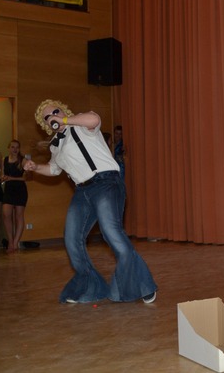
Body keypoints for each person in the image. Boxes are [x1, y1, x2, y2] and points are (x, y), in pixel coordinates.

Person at [23, 99, 157, 304]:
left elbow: (94, 119)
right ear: (45, 124)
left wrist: (65, 120)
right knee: (71, 238)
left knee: (111, 232)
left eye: (55, 112)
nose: (52, 117)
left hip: (106, 182)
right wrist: (35, 168)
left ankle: (140, 286)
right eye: (47, 117)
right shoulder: (56, 145)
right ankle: (90, 287)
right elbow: (54, 169)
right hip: (82, 191)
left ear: (64, 111)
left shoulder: (81, 124)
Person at [1, 140, 29, 253]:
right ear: (9, 148)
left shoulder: (23, 160)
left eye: (17, 147)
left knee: (19, 216)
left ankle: (15, 243)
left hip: (20, 190)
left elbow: (26, 177)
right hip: (8, 190)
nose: (15, 149)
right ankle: (11, 241)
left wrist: (10, 178)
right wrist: (2, 177)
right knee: (6, 214)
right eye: (12, 147)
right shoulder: (4, 160)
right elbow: (2, 174)